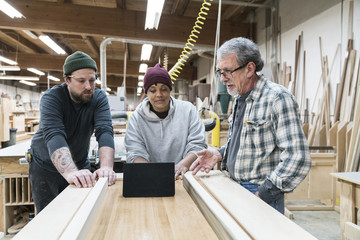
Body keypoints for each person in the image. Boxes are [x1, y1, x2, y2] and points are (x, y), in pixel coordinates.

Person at [190, 37, 311, 214]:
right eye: (220, 72)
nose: (223, 79)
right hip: (235, 186)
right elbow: (246, 142)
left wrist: (263, 194)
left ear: (249, 69)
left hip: (260, 192)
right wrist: (220, 153)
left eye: (228, 71)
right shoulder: (239, 98)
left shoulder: (276, 98)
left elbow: (298, 158)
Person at [29, 51, 116, 213]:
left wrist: (106, 167)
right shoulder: (52, 98)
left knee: (78, 214)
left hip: (80, 164)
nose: (88, 86)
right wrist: (69, 172)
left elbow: (104, 131)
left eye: (92, 80)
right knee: (50, 218)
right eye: (81, 81)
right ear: (67, 80)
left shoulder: (99, 98)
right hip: (46, 169)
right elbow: (54, 134)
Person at [124, 64, 207, 180]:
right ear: (147, 93)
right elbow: (135, 151)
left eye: (164, 89)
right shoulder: (136, 118)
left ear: (170, 90)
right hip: (149, 177)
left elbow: (197, 144)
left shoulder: (188, 110)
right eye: (153, 90)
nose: (159, 94)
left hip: (183, 176)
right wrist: (150, 174)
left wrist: (183, 165)